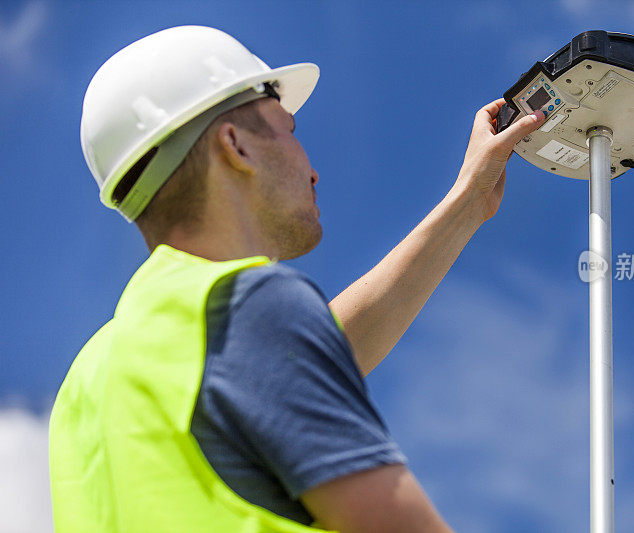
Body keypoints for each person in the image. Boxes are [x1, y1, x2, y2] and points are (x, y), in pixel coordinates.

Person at [49, 25, 544, 533]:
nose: (313, 170)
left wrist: (468, 202)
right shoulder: (252, 310)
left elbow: (303, 358)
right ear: (235, 146)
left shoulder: (94, 379)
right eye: (289, 130)